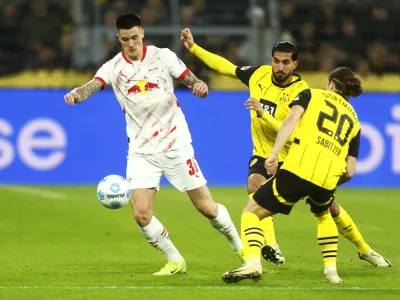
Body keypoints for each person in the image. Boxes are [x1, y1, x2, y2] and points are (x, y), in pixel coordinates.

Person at [181, 28, 392, 269]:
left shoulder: (302, 92)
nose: (279, 67)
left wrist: (263, 113)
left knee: (329, 208)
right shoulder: (258, 75)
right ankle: (271, 245)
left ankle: (365, 250)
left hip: (294, 158)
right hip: (264, 154)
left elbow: (292, 129)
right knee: (254, 186)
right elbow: (226, 67)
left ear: (295, 65)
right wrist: (195, 48)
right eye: (276, 61)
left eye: (285, 63)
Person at [64, 13, 243, 276]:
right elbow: (93, 85)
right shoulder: (113, 67)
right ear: (118, 38)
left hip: (175, 143)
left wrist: (199, 86)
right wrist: (76, 94)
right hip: (141, 151)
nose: (131, 44)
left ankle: (240, 248)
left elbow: (190, 78)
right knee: (141, 214)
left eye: (135, 37)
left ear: (143, 33)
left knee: (206, 207)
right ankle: (175, 260)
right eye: (125, 39)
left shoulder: (163, 56)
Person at [221, 67, 390, 284]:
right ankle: (332, 272)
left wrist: (273, 154)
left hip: (299, 168)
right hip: (328, 175)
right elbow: (349, 170)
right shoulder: (355, 122)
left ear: (331, 84)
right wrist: (329, 182)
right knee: (324, 212)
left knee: (250, 212)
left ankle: (253, 264)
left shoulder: (311, 94)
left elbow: (290, 122)